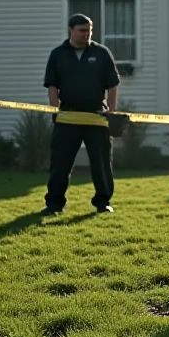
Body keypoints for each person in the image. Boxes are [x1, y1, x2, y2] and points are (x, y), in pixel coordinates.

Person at [42, 14, 121, 215]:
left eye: (89, 31)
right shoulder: (58, 54)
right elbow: (52, 85)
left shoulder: (102, 53)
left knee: (101, 163)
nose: (87, 34)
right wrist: (55, 110)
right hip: (67, 117)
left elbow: (112, 85)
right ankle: (54, 204)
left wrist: (111, 112)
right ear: (71, 30)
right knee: (60, 163)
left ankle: (103, 203)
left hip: (97, 117)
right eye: (82, 30)